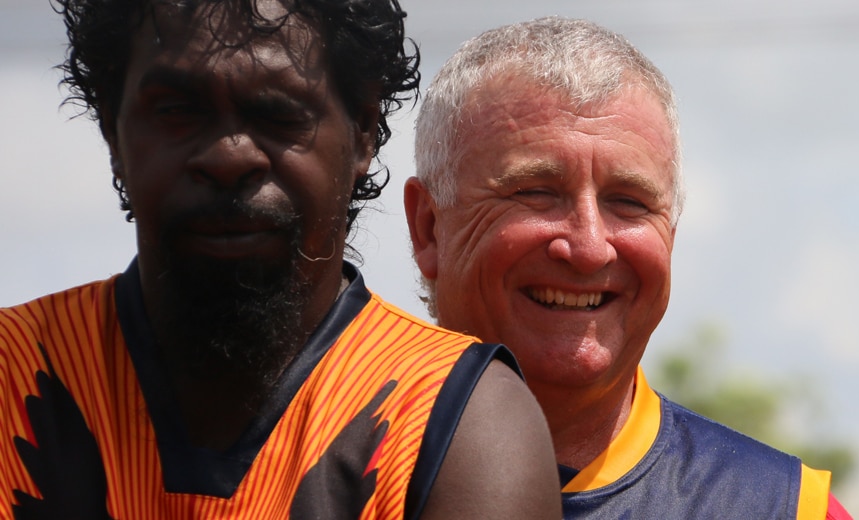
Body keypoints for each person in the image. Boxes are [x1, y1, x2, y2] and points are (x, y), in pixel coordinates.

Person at [0, 1, 562, 519]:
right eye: (177, 109)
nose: (229, 156)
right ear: (111, 129)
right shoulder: (12, 372)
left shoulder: (457, 422)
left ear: (363, 132)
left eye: (277, 112)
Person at [405, 16, 852, 519]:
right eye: (535, 192)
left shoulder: (782, 509)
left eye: (630, 202)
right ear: (428, 227)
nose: (590, 247)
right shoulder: (322, 466)